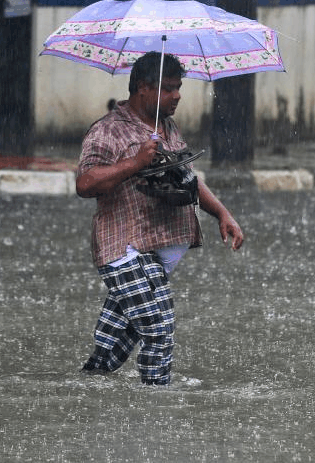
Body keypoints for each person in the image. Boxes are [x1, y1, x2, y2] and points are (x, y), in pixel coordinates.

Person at [76, 51, 244, 386]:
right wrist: (134, 163)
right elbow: (85, 183)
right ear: (143, 89)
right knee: (158, 329)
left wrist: (221, 213)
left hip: (159, 247)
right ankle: (156, 403)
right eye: (168, 89)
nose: (177, 95)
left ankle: (84, 391)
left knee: (114, 344)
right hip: (124, 249)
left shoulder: (168, 128)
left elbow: (189, 179)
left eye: (178, 87)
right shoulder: (109, 131)